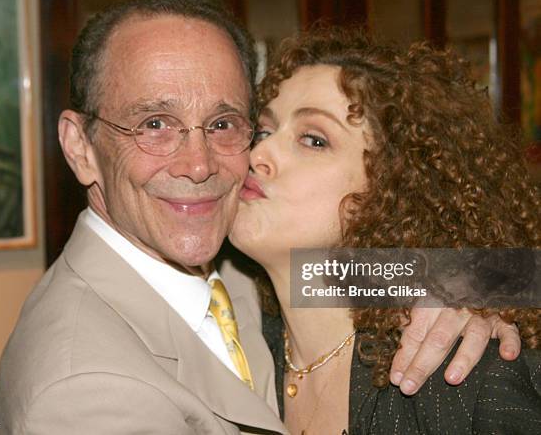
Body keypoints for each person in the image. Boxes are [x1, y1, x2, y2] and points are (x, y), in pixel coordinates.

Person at [0, 0, 524, 434]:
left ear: (393, 188)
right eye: (154, 123)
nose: (208, 164)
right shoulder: (88, 391)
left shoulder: (251, 290)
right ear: (81, 147)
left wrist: (472, 285)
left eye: (225, 125)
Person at [229, 27, 541, 434]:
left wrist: (480, 284)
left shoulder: (463, 377)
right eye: (264, 130)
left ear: (390, 188)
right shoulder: (232, 333)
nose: (258, 153)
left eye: (314, 140)